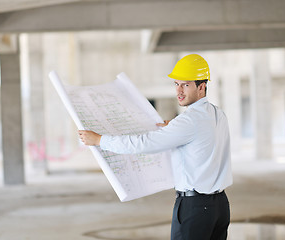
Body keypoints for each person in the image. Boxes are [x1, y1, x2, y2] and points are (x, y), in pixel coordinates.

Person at [79, 54, 233, 240]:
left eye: (186, 84)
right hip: (220, 207)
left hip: (195, 208)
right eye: (176, 84)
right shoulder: (218, 114)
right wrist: (174, 129)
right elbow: (203, 139)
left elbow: (143, 143)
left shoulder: (188, 121)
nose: (179, 91)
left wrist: (100, 140)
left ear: (201, 87)